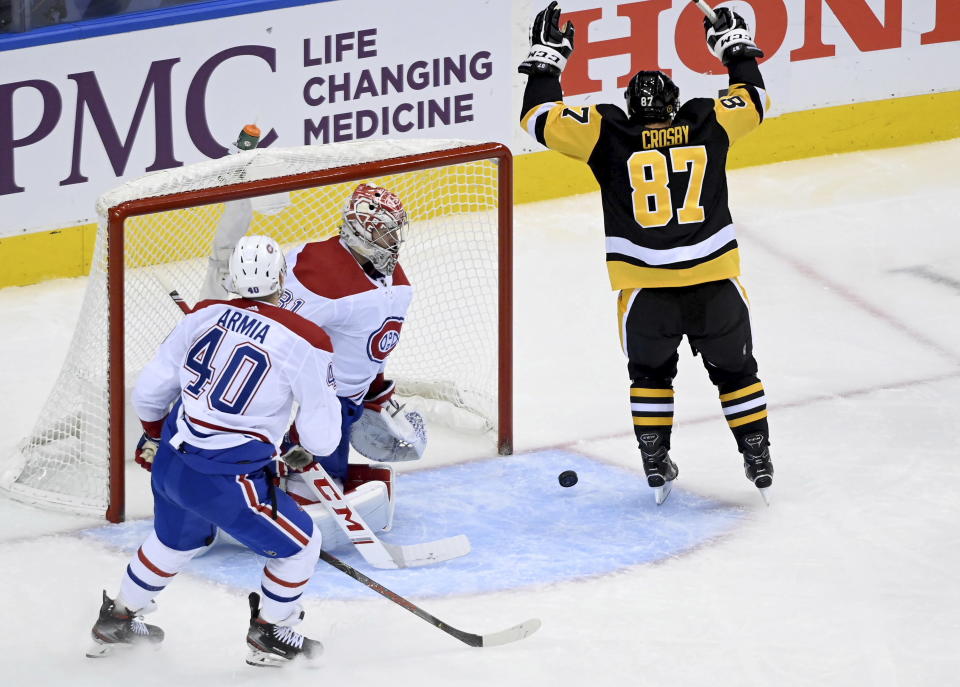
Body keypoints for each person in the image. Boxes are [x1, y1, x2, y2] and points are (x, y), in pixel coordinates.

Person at [518, 2, 774, 504]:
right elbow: (755, 100)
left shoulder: (607, 131)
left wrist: (548, 60)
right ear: (675, 105)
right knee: (738, 375)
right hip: (716, 286)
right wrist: (736, 49)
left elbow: (536, 118)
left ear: (632, 107)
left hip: (646, 295)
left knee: (651, 377)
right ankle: (757, 454)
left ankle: (655, 458)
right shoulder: (706, 120)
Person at [87, 236, 342, 667]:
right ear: (282, 277)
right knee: (301, 546)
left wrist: (152, 433)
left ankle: (118, 619)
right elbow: (322, 437)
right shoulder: (306, 338)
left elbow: (151, 392)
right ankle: (270, 634)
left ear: (232, 278)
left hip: (171, 461)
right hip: (227, 479)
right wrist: (302, 447)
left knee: (173, 540)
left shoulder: (204, 313)